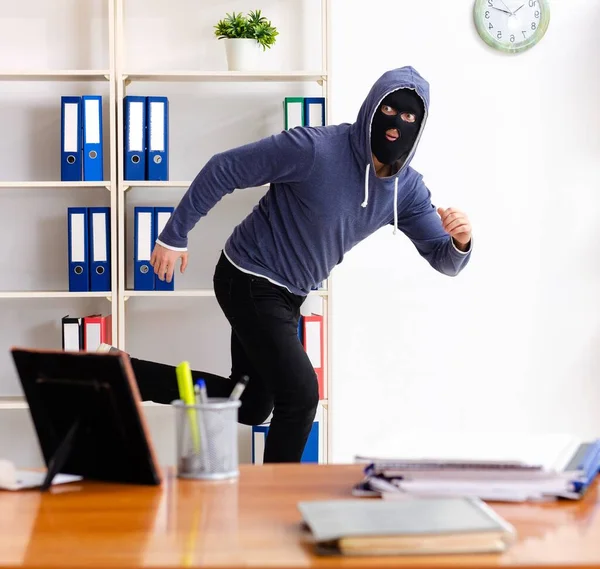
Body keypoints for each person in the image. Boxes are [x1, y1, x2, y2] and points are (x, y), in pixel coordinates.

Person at [109, 66, 473, 464]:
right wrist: (172, 236)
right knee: (300, 396)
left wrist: (461, 239)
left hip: (290, 295)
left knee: (250, 405)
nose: (395, 126)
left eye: (408, 118)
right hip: (246, 277)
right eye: (389, 110)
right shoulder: (314, 149)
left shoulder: (408, 189)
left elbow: (445, 260)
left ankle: (126, 374)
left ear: (418, 127)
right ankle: (276, 505)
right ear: (372, 108)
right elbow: (224, 168)